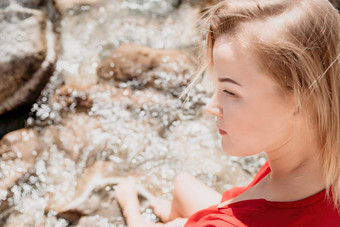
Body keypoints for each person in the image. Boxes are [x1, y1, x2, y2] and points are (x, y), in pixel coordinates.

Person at [115, 0, 340, 226]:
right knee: (182, 186)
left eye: (230, 92)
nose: (211, 107)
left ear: (301, 100)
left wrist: (131, 210)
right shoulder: (318, 151)